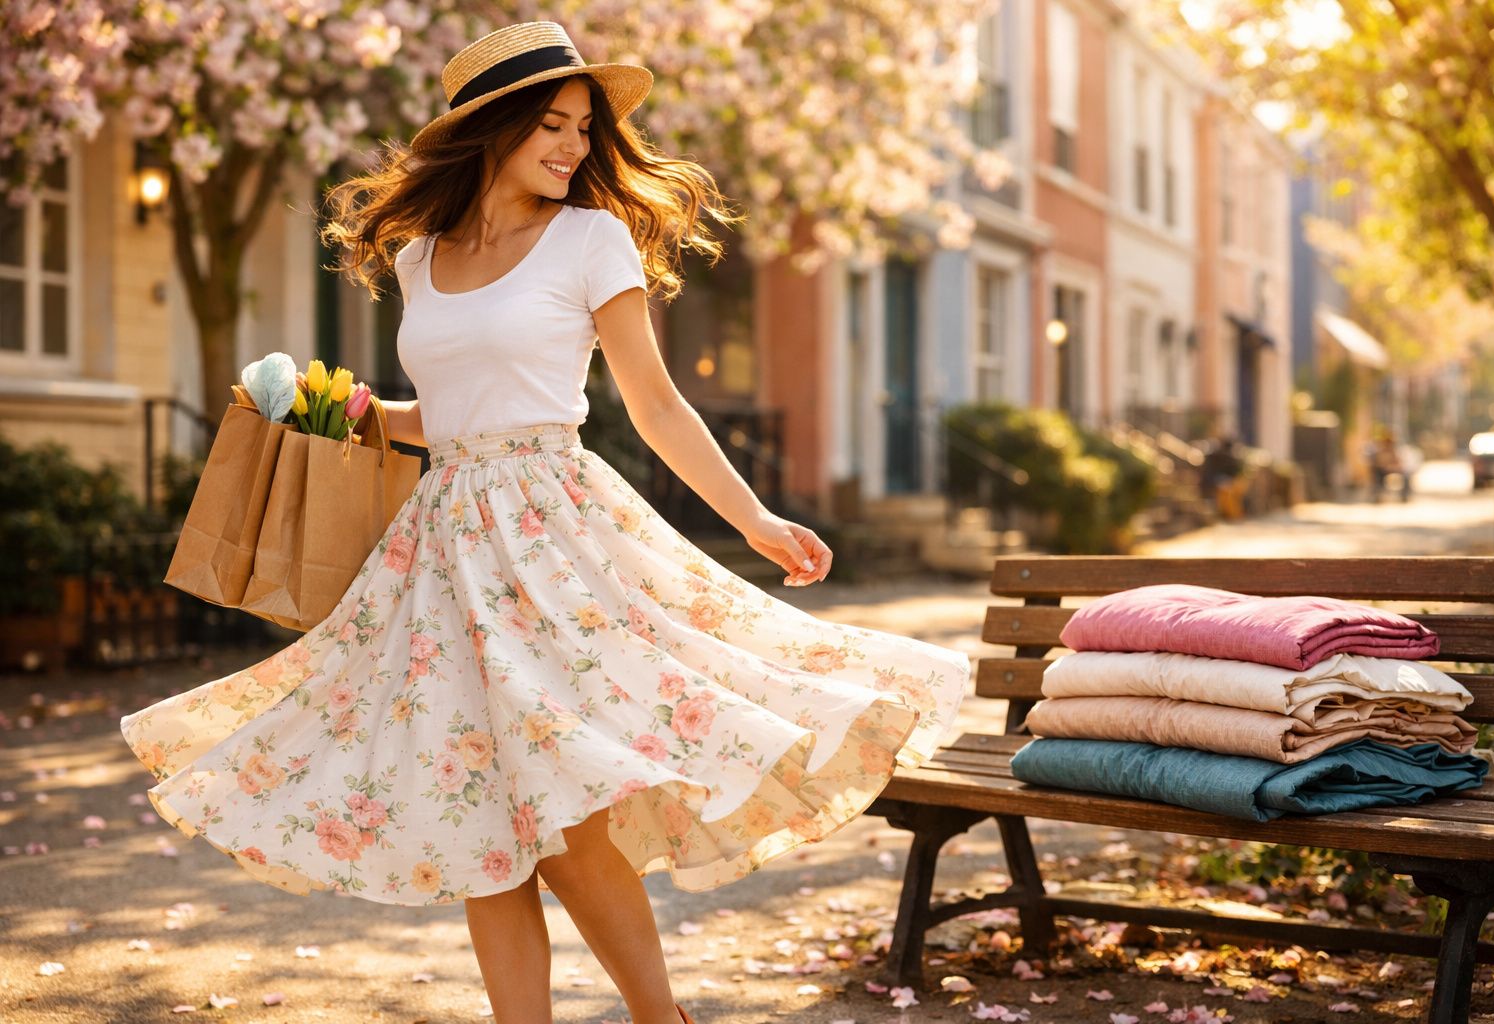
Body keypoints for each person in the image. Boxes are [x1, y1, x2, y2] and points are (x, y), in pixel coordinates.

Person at [118, 21, 971, 1024]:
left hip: (554, 536)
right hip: (442, 549)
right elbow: (439, 413)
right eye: (551, 127)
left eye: (581, 128)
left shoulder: (590, 238)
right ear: (492, 130)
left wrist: (752, 517)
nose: (572, 147)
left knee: (568, 825)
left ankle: (666, 1019)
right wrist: (349, 414)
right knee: (482, 817)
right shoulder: (423, 259)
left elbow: (654, 404)